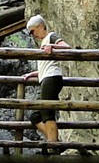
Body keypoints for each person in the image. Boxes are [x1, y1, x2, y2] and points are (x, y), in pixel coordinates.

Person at [22, 15, 69, 145]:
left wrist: (53, 47)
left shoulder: (51, 37)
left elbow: (67, 47)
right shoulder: (44, 42)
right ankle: (54, 142)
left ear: (40, 27)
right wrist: (32, 74)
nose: (33, 35)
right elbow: (45, 66)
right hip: (47, 78)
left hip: (52, 78)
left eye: (33, 31)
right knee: (36, 116)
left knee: (47, 112)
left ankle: (53, 145)